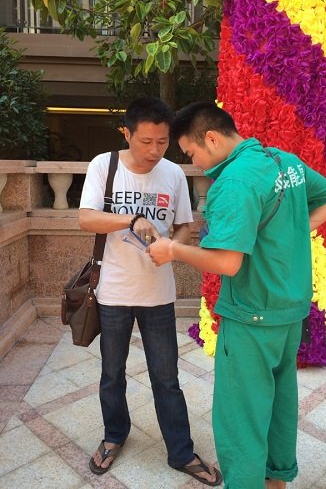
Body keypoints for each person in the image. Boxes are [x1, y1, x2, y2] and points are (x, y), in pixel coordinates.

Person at [147, 101, 326, 489]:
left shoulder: (234, 182)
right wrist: (294, 230)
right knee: (280, 401)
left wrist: (172, 250)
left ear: (211, 138)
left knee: (240, 416)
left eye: (192, 153)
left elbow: (227, 262)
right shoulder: (282, 162)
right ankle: (276, 480)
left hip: (252, 313)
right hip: (290, 310)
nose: (196, 164)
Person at [79, 97, 221, 486]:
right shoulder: (104, 166)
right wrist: (132, 218)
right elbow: (86, 218)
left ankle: (181, 452)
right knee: (112, 373)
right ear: (126, 133)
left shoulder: (173, 173)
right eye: (146, 141)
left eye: (162, 142)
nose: (155, 151)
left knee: (166, 376)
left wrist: (172, 249)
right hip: (114, 292)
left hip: (158, 294)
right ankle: (114, 436)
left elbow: (184, 226)